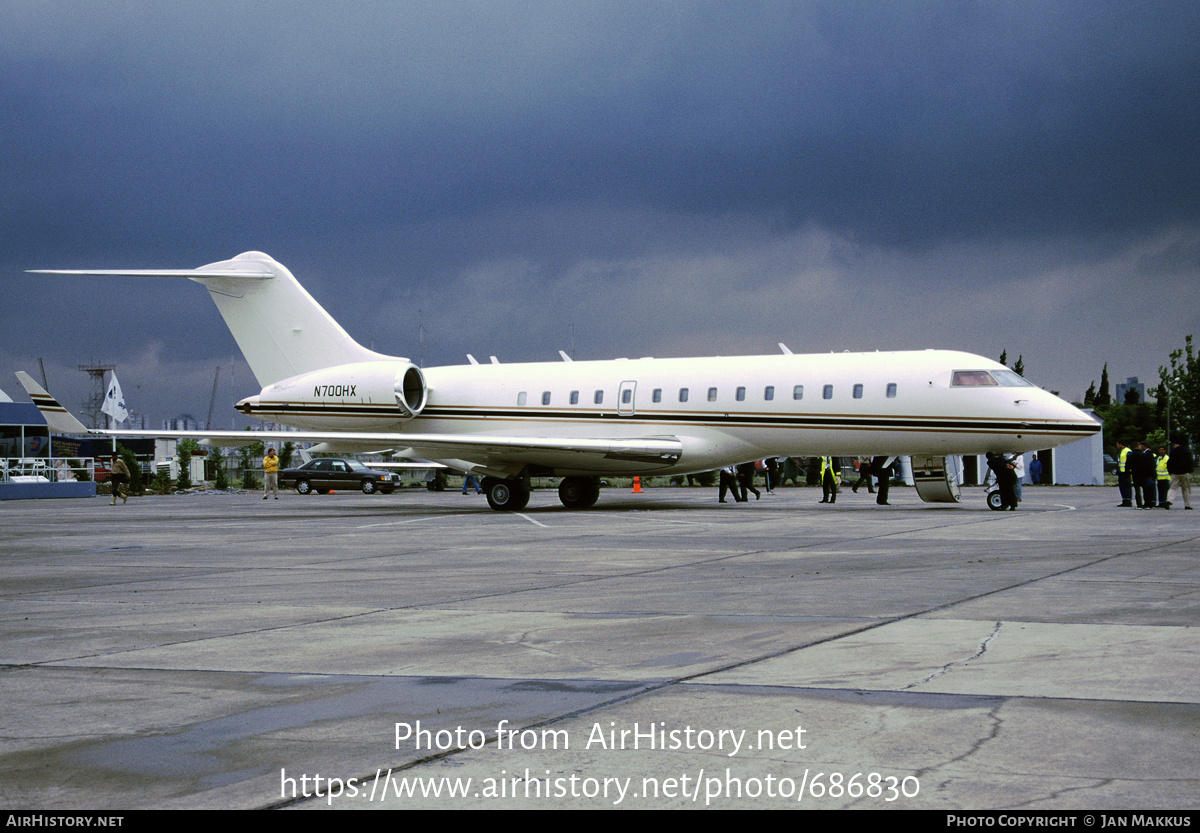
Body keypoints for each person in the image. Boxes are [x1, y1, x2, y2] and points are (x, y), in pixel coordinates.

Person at [1167, 440, 1193, 510]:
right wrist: (1190, 471)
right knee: (1186, 489)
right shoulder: (1187, 452)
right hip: (1185, 473)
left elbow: (1169, 463)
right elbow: (1190, 462)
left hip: (1175, 473)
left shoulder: (1172, 452)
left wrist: (1170, 471)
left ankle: (1170, 500)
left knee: (1173, 488)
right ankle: (1187, 504)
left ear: (1176, 445)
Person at [1115, 440, 1133, 507]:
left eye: (1117, 444)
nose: (1117, 446)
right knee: (1122, 487)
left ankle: (1128, 500)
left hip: (1126, 472)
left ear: (1120, 444)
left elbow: (1130, 461)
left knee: (1126, 487)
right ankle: (1125, 500)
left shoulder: (1127, 451)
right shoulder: (1122, 451)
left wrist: (1128, 471)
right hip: (1121, 472)